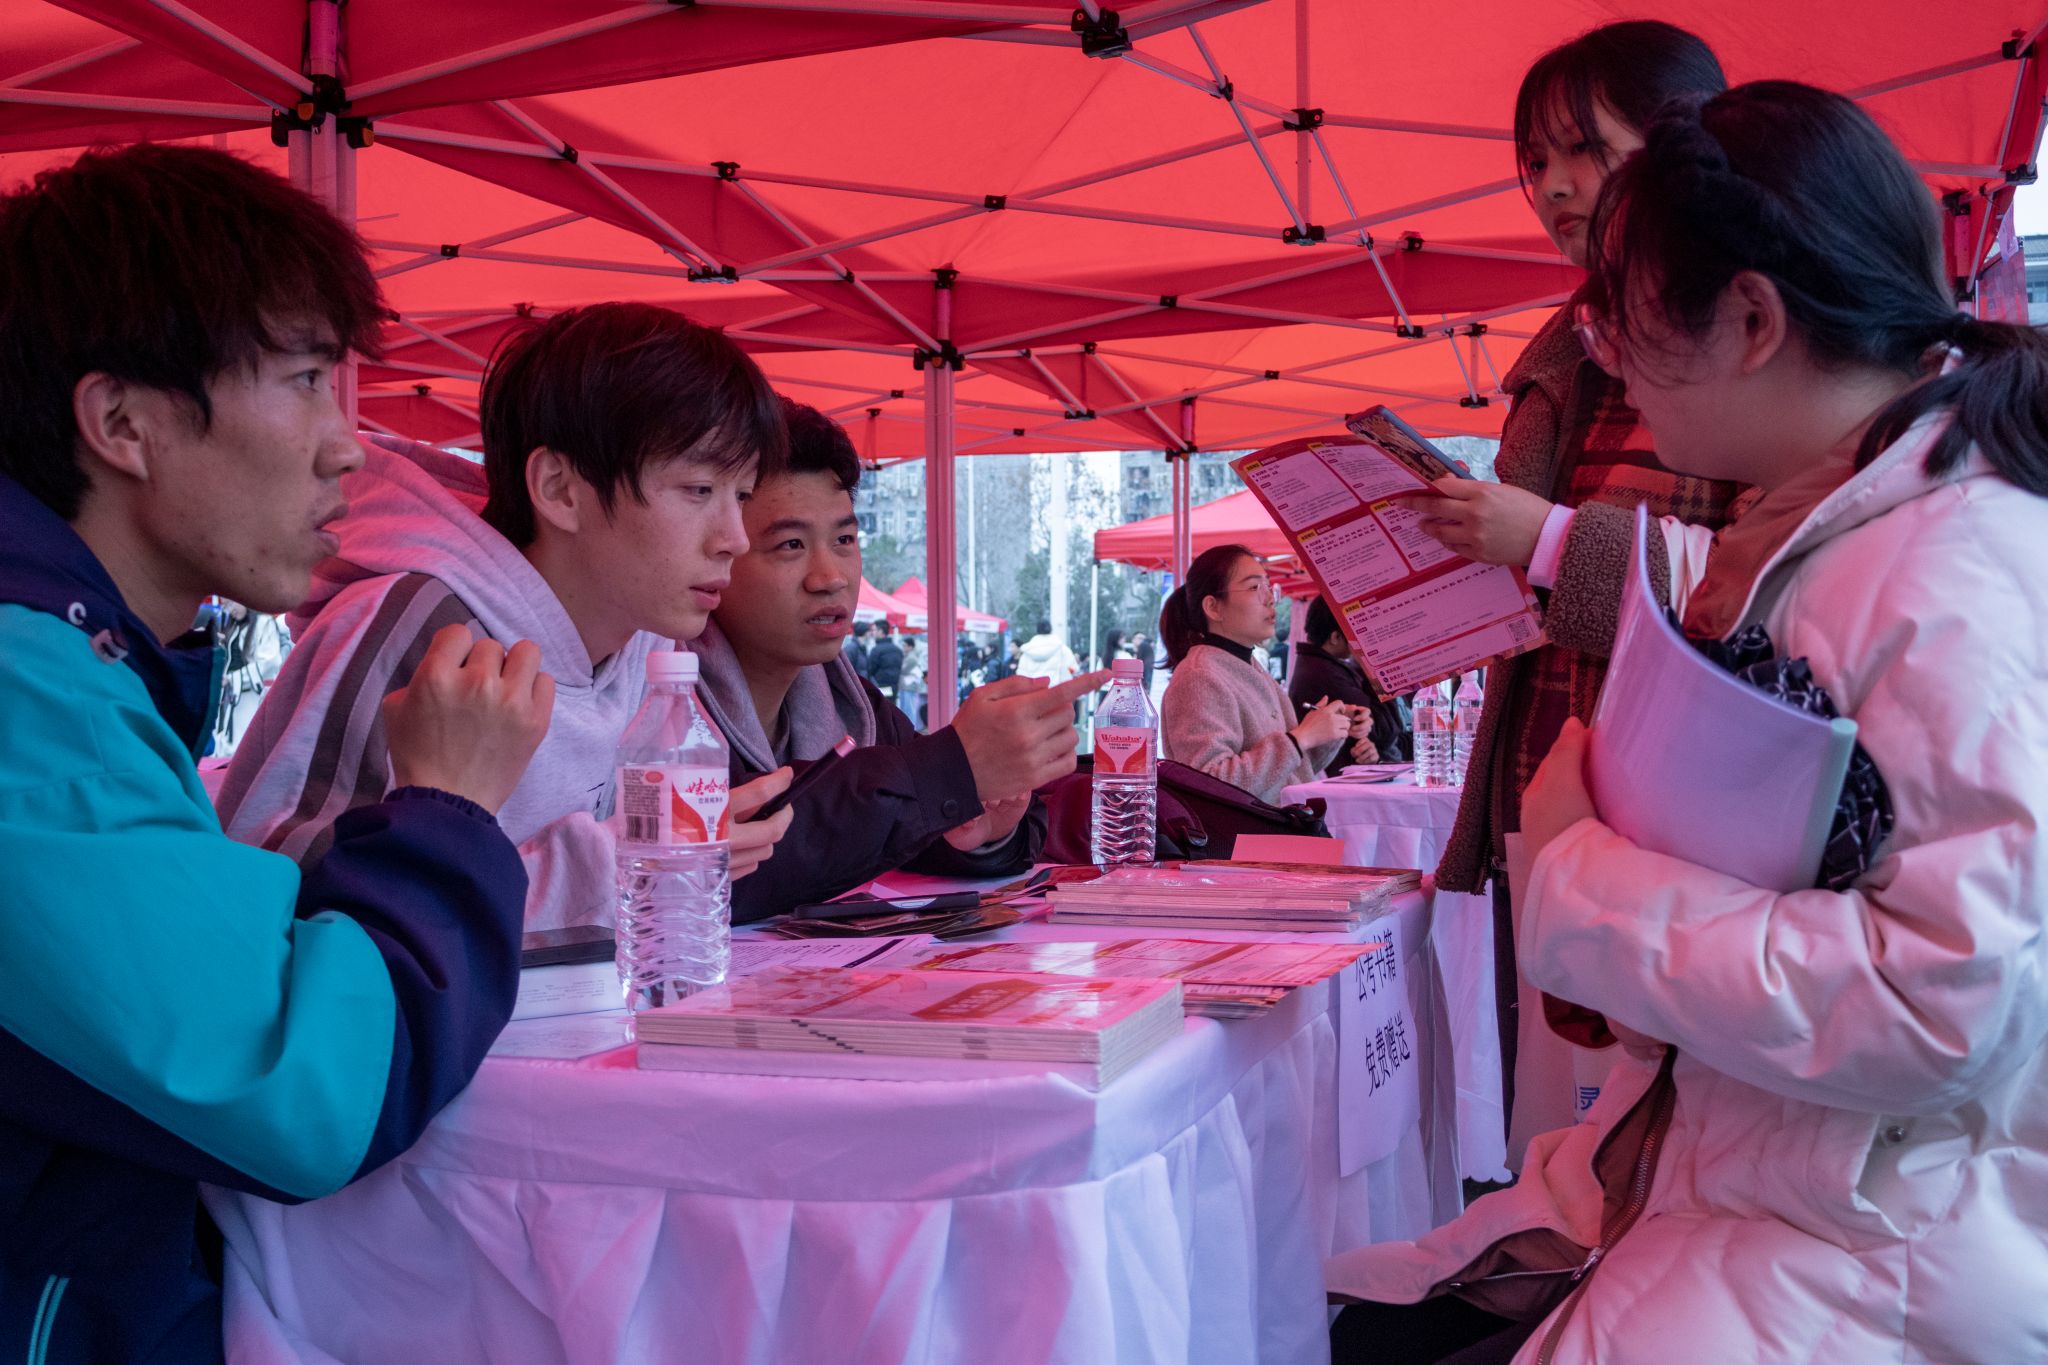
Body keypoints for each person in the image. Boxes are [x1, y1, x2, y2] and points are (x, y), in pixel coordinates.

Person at [1331, 80, 2048, 1363]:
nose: (1608, 359)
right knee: (1362, 1310)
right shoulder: (1846, 532)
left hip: (1868, 1252)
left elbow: (1936, 1005)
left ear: (1751, 319)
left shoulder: (1945, 573)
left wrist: (1578, 870)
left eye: (1620, 318)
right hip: (1776, 1189)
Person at [0, 144, 555, 1363]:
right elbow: (313, 1091)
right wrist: (446, 810)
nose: (347, 447)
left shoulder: (83, 662)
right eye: (305, 380)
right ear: (122, 423)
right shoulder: (30, 701)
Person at [1392, 20, 1736, 1130]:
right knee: (1566, 1148)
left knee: (1655, 1139)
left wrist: (1541, 539)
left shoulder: (1745, 335)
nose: (1550, 186)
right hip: (1547, 797)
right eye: (1532, 161)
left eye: (1582, 148)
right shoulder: (1572, 353)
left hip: (1676, 835)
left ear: (1684, 142)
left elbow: (1753, 595)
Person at [218, 303, 795, 930]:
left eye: (741, 495)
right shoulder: (426, 630)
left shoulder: (646, 644)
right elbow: (277, 904)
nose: (735, 538)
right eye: (699, 490)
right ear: (559, 489)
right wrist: (609, 866)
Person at [693, 400, 1098, 921]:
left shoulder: (853, 704)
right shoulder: (664, 708)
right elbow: (754, 864)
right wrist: (950, 769)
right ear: (717, 553)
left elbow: (883, 827)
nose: (830, 577)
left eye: (845, 539)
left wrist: (980, 833)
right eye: (791, 544)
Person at [1157, 544, 1351, 803]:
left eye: (1269, 586)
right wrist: (1299, 738)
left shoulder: (1248, 664)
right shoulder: (1198, 676)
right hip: (1243, 830)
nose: (1270, 598)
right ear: (1213, 607)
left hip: (1281, 824)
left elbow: (1286, 774)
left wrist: (1326, 731)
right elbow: (1208, 786)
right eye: (1254, 587)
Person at [1290, 597, 1405, 772]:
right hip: (1341, 778)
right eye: (1356, 633)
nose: (1362, 640)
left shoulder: (1319, 666)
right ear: (1335, 637)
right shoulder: (1325, 673)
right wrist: (1372, 668)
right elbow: (1384, 731)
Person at [1014, 618, 1078, 685]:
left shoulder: (1028, 651)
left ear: (1037, 630)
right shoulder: (1062, 649)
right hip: (1056, 689)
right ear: (1051, 630)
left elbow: (1021, 675)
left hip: (1034, 690)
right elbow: (1072, 669)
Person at [867, 629, 904, 698]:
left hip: (880, 684)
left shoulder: (876, 649)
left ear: (880, 631)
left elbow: (871, 669)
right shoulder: (898, 650)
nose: (872, 633)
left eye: (874, 630)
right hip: (894, 685)